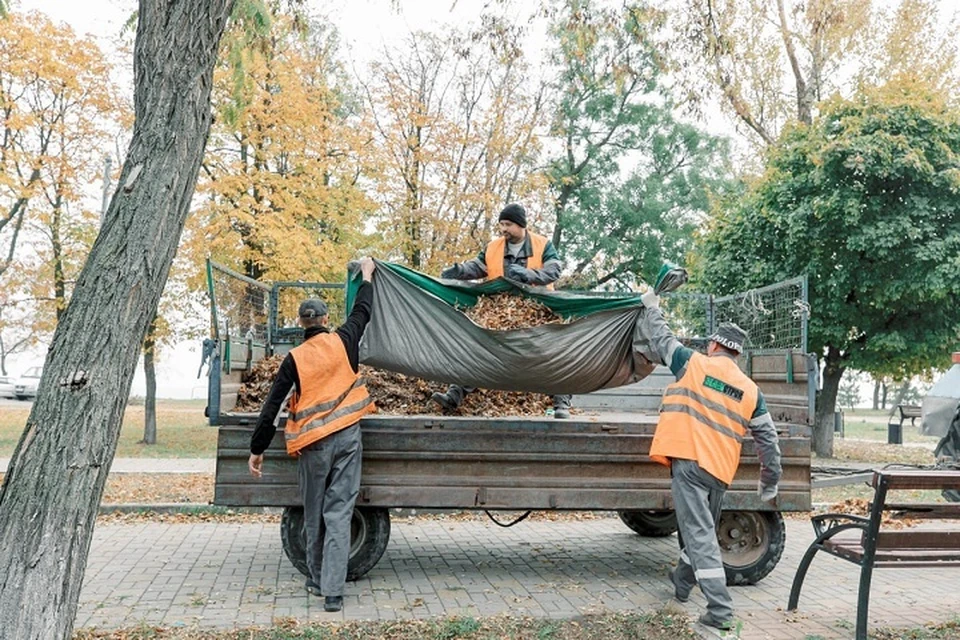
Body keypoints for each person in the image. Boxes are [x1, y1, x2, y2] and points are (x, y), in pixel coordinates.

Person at [639, 289, 781, 631]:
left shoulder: (693, 363)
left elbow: (661, 338)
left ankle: (719, 612)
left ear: (715, 347)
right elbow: (768, 438)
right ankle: (681, 585)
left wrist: (652, 308)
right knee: (697, 531)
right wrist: (769, 479)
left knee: (700, 535)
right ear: (737, 354)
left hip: (688, 464)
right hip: (719, 471)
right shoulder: (751, 390)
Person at [248, 257, 378, 613]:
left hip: (313, 446)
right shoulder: (344, 339)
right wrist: (366, 276)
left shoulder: (294, 358)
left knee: (314, 511)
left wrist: (257, 448)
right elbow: (363, 311)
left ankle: (315, 578)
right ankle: (332, 594)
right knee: (339, 513)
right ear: (324, 320)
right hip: (348, 439)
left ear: (301, 324)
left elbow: (272, 405)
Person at [432, 202, 572, 418]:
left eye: (508, 224)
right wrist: (459, 271)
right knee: (479, 350)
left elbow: (554, 271)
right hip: (500, 310)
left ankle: (561, 403)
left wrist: (529, 275)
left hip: (536, 310)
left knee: (549, 354)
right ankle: (454, 395)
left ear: (520, 225)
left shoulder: (542, 245)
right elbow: (478, 267)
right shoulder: (493, 247)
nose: (503, 229)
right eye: (501, 224)